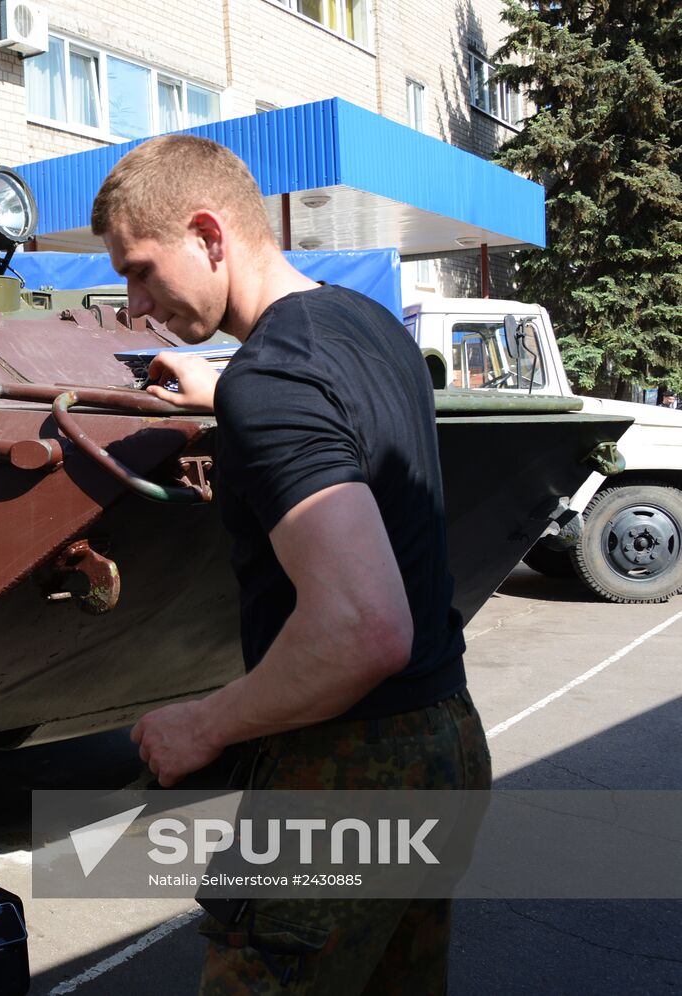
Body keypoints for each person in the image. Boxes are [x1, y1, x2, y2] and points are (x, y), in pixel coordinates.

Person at [93, 134, 490, 993]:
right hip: (445, 741)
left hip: (342, 773)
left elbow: (362, 628)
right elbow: (328, 408)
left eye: (140, 270)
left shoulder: (269, 384)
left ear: (208, 234)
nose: (134, 305)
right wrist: (226, 387)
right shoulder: (370, 328)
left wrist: (202, 725)